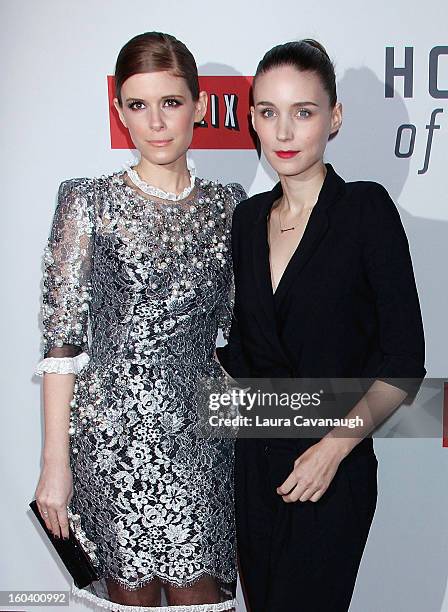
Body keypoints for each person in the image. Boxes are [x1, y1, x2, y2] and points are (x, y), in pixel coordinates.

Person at [34, 31, 246, 612]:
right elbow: (62, 342)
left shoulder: (232, 209)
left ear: (200, 107)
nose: (155, 122)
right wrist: (55, 468)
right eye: (137, 105)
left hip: (203, 439)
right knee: (128, 599)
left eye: (170, 103)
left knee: (202, 596)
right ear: (120, 111)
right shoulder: (88, 203)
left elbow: (244, 331)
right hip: (110, 443)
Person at [217, 40, 426, 611]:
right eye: (268, 112)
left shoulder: (365, 210)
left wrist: (334, 448)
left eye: (303, 112)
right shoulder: (246, 218)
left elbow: (405, 363)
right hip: (254, 471)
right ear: (253, 119)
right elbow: (243, 354)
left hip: (333, 471)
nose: (284, 132)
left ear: (333, 118)